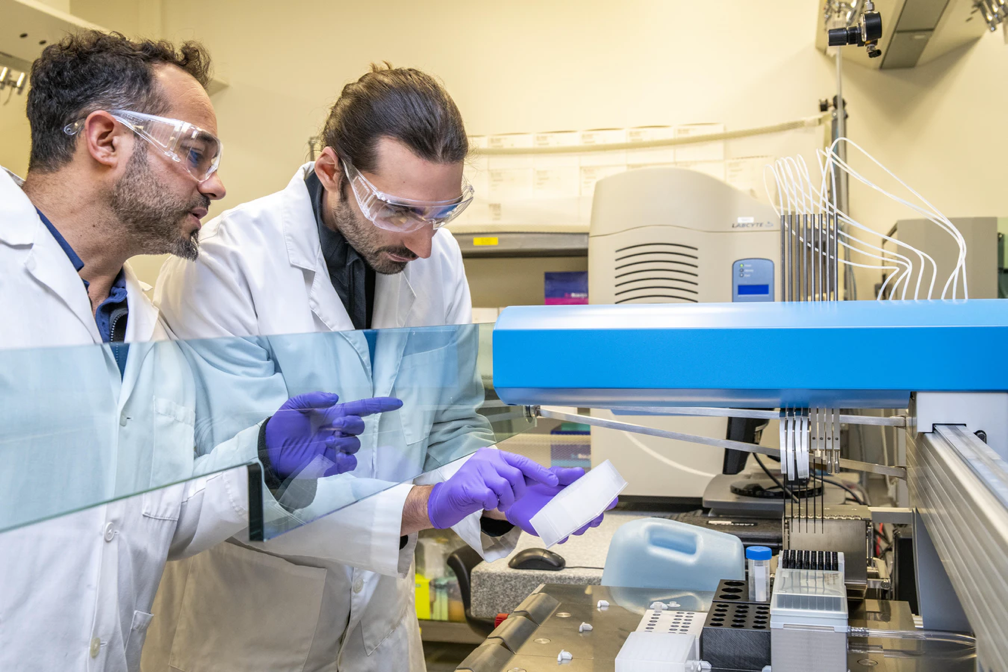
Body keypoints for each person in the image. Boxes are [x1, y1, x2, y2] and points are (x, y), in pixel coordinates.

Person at [145, 65, 613, 671]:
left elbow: (447, 425)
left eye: (441, 213)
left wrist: (493, 496)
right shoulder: (225, 263)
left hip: (377, 632)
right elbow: (234, 486)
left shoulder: (434, 256)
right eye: (398, 210)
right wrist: (423, 506)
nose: (422, 242)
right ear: (332, 171)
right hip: (250, 627)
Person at [0, 32, 389, 672]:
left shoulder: (143, 323)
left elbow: (160, 519)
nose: (217, 186)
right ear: (105, 140)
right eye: (196, 153)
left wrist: (262, 458)